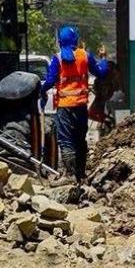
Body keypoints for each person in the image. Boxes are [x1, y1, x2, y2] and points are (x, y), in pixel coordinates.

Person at [41, 25, 108, 182]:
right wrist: (104, 59)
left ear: (59, 42)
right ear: (76, 40)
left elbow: (50, 80)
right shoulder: (85, 56)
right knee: (80, 139)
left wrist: (41, 90)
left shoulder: (57, 59)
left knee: (65, 140)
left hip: (64, 108)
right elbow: (100, 72)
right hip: (81, 107)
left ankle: (69, 174)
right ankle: (80, 174)